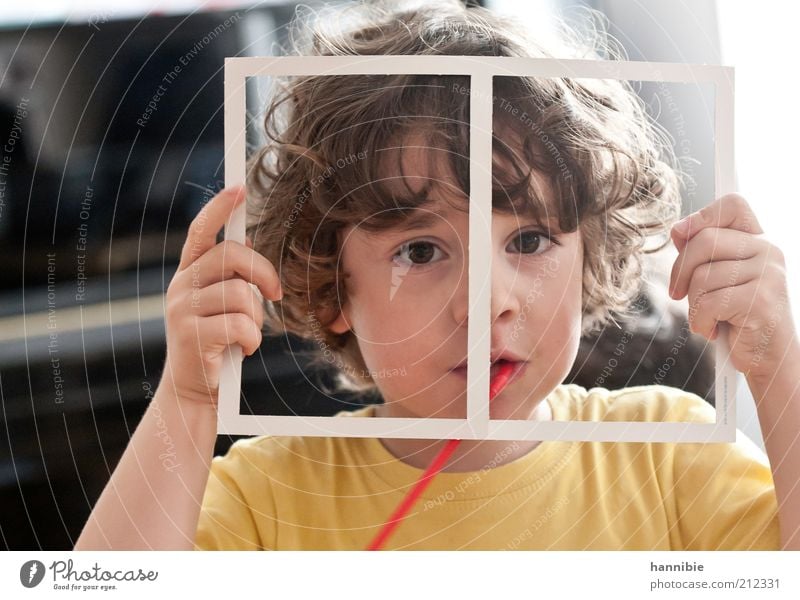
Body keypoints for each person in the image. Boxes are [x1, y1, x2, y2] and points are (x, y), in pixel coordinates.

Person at [75, 0, 799, 550]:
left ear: (590, 259)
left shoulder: (672, 458)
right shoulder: (267, 497)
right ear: (333, 289)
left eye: (530, 238)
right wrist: (188, 397)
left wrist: (778, 370)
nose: (486, 306)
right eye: (420, 251)